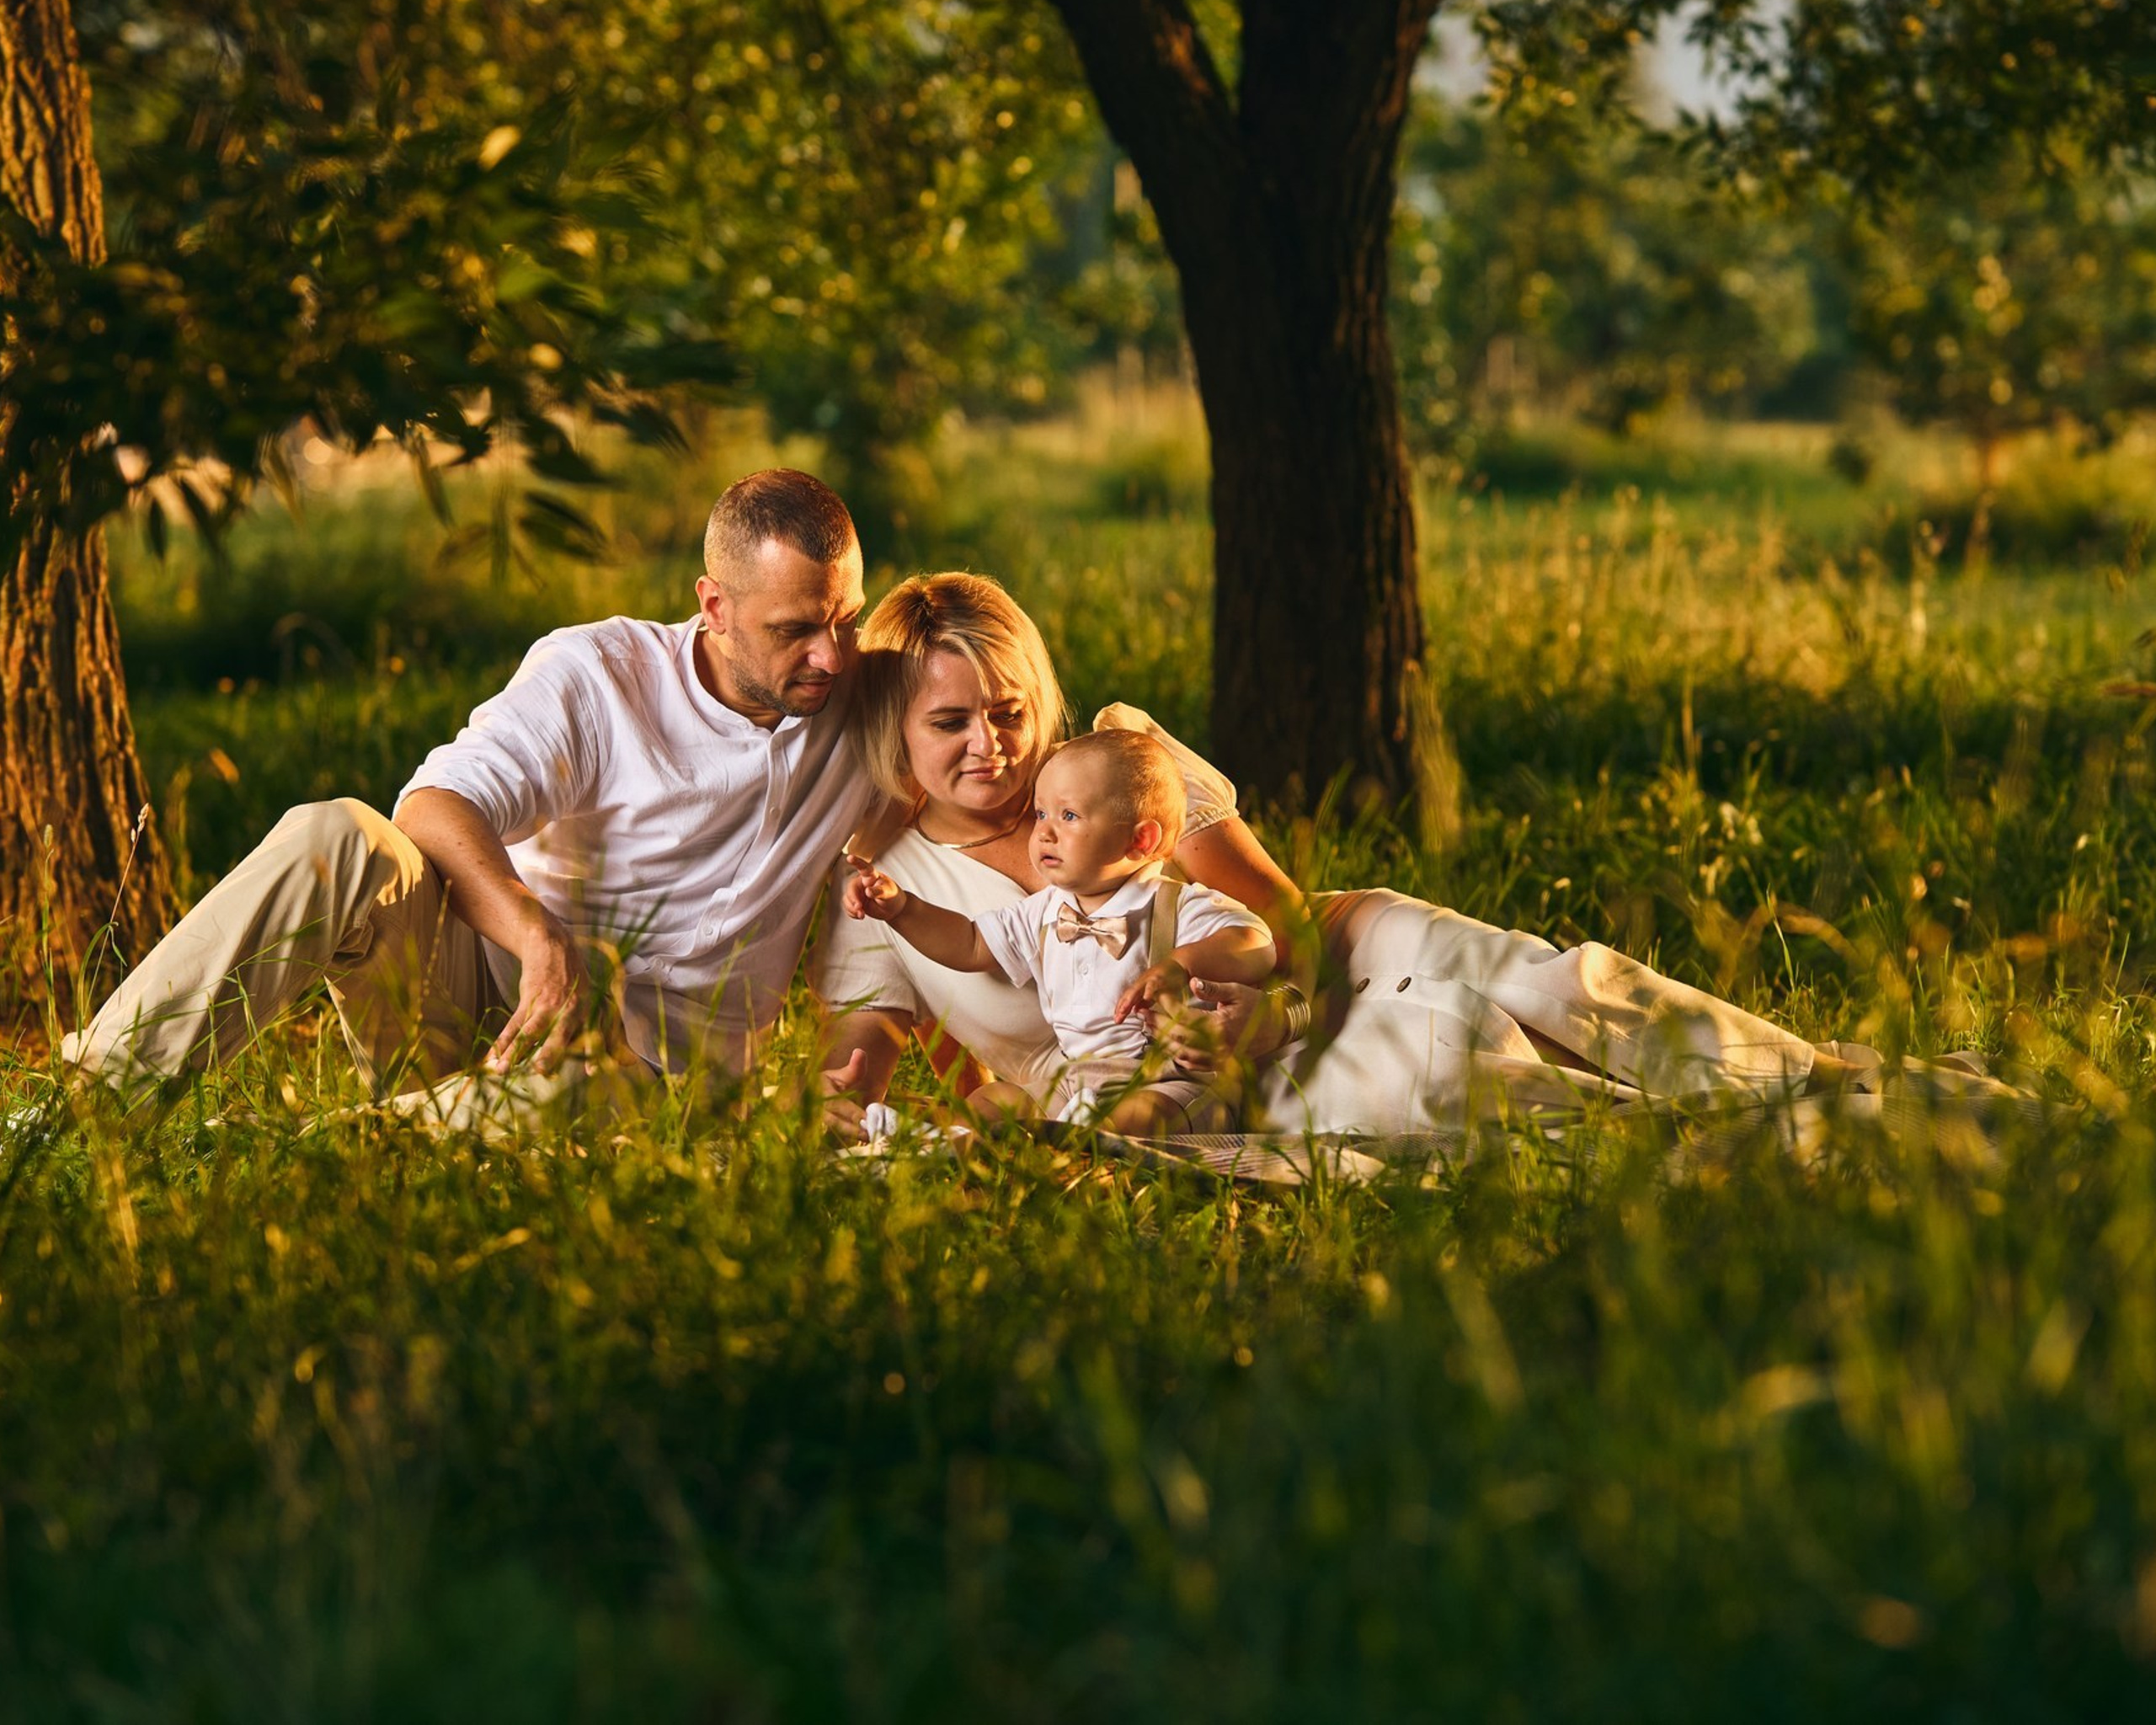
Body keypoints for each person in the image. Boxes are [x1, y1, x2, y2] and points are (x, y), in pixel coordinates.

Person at [813, 573, 1822, 1141]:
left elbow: (1286, 917)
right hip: (1175, 1082)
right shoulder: (887, 878)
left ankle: (1800, 1079)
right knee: (1443, 1062)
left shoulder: (1117, 767)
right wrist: (853, 1096)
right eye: (949, 722)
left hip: (1320, 959)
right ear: (895, 727)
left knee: (1559, 986)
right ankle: (1716, 1132)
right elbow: (869, 1060)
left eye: (1008, 711)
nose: (987, 744)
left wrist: (1281, 1005)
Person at [56, 469, 873, 1104]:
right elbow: (434, 804)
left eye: (844, 620)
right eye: (794, 631)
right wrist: (535, 934)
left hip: (643, 1075)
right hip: (486, 987)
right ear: (715, 607)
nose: (830, 656)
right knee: (335, 834)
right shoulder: (601, 676)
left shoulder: (869, 702)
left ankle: (330, 1149)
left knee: (572, 1093)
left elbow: (986, 731)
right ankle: (89, 1104)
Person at [841, 728, 1274, 1134]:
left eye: (1068, 816)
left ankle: (1079, 1140)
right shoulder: (1047, 911)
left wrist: (1183, 964)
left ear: (1139, 841)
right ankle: (937, 1142)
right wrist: (900, 907)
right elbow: (969, 943)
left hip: (1170, 1084)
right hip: (1072, 1080)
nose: (1044, 831)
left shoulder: (1176, 905)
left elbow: (1257, 943)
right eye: (1041, 812)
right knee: (994, 1099)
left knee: (1138, 1117)